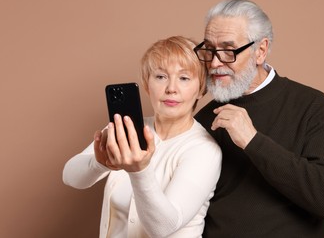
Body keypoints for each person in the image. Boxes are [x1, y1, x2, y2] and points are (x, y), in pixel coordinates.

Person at [193, 0, 324, 237]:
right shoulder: (203, 119)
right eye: (210, 50)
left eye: (227, 50)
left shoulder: (312, 106)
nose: (215, 63)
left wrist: (253, 141)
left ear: (261, 51)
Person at [63, 36, 222, 238]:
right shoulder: (127, 129)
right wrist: (100, 165)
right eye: (161, 77)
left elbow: (163, 228)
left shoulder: (203, 150)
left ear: (200, 89)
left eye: (184, 78)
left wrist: (139, 170)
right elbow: (70, 177)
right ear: (146, 84)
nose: (171, 88)